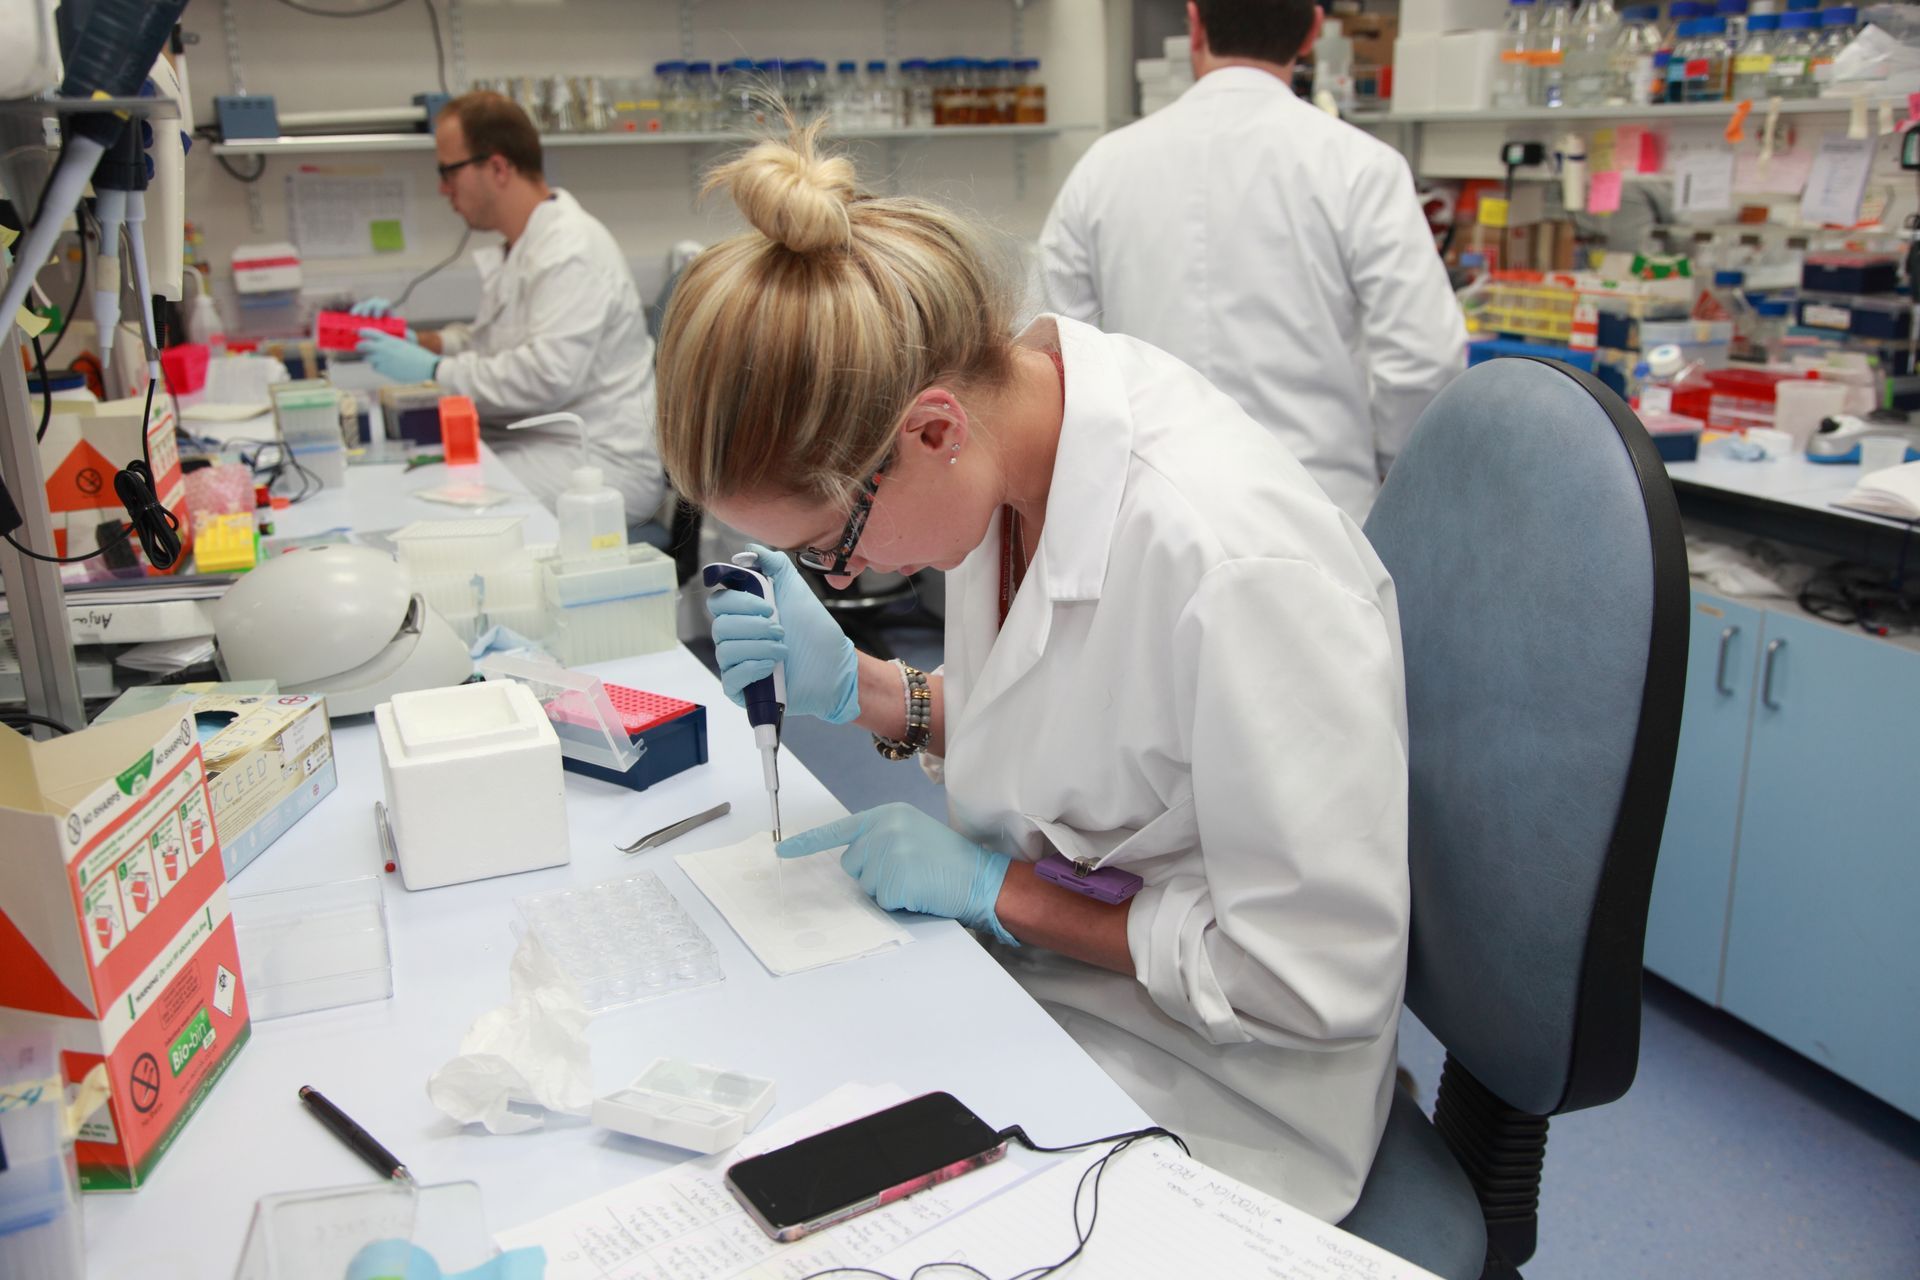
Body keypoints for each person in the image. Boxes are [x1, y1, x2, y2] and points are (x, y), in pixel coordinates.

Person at [656, 121, 1411, 1222]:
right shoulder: (1014, 452)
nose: (843, 574)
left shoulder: (1235, 565)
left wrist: (997, 889)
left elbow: (1311, 978)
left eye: (831, 545)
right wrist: (872, 690)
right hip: (1046, 988)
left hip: (1215, 1078)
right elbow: (1100, 740)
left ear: (930, 429)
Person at [1037, 0, 1465, 523]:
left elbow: (1052, 350)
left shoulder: (1102, 167)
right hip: (1318, 510)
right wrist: (1391, 466)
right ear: (1312, 31)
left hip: (1150, 513)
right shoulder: (1361, 166)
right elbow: (1425, 357)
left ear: (1195, 25)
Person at [353, 91, 664, 518]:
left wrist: (433, 371)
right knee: (405, 485)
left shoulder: (569, 249)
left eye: (448, 171)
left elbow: (546, 374)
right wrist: (423, 342)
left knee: (430, 508)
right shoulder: (527, 244)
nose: (444, 188)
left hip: (596, 465)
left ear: (497, 167)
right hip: (538, 445)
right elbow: (497, 342)